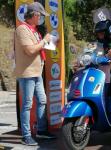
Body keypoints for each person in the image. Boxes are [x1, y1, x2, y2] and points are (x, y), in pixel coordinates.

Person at [14, 2, 56, 146]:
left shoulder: (34, 30)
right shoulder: (22, 29)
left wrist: (48, 43)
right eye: (41, 16)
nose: (41, 19)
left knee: (42, 101)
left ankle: (42, 131)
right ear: (34, 15)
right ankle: (26, 136)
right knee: (27, 104)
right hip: (27, 73)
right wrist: (44, 41)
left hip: (36, 72)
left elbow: (38, 48)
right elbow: (30, 50)